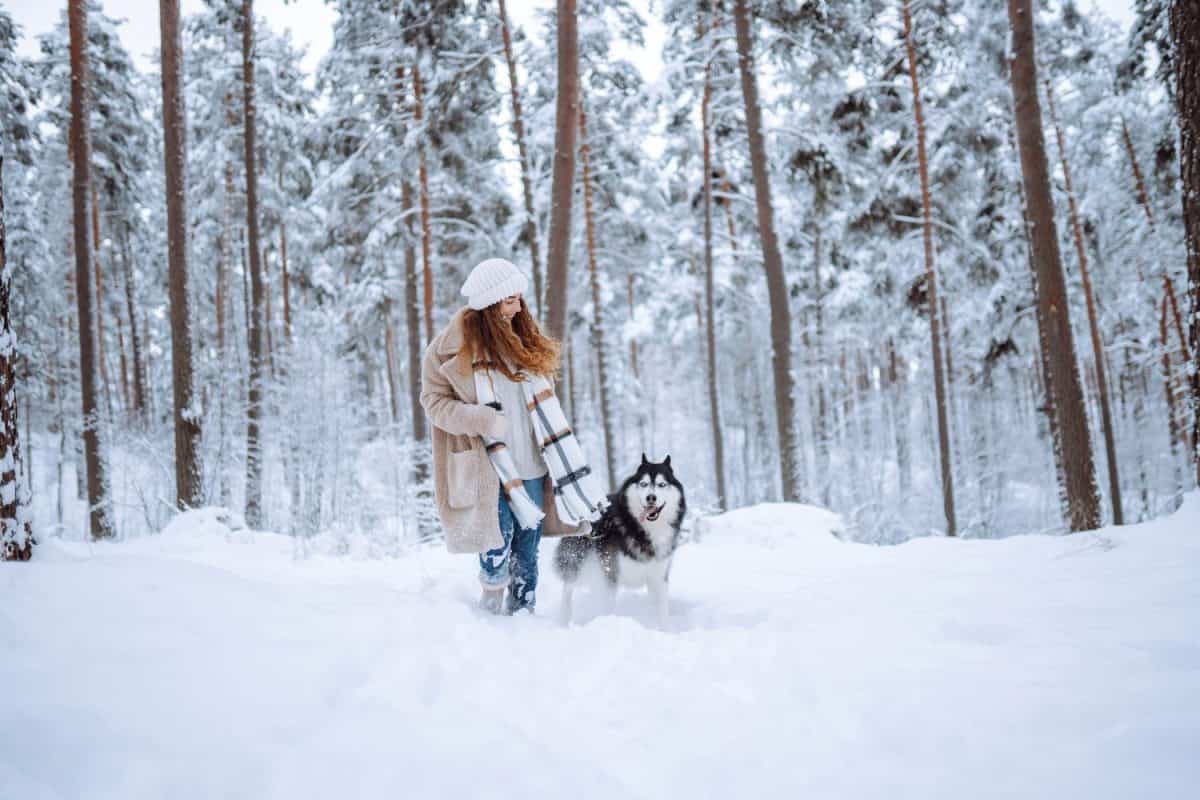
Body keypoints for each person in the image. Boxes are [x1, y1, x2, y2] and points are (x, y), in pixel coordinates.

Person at [420, 257, 591, 614]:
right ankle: (491, 604)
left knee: (528, 546)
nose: (518, 307)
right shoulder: (447, 351)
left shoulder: (524, 343)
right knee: (497, 540)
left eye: (519, 299)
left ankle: (523, 611)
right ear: (489, 304)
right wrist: (479, 419)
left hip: (531, 461)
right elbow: (433, 403)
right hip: (487, 464)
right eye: (510, 300)